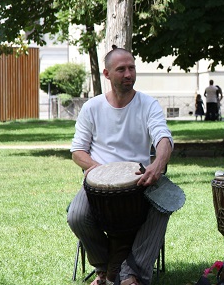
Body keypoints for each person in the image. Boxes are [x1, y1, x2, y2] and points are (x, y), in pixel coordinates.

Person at [67, 47, 174, 285]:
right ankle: (105, 268)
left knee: (164, 204)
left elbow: (163, 139)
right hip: (98, 183)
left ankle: (131, 274)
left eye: (132, 68)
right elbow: (77, 151)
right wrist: (101, 171)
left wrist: (157, 165)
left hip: (140, 179)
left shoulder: (148, 104)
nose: (128, 74)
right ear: (106, 74)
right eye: (121, 69)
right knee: (76, 216)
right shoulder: (92, 107)